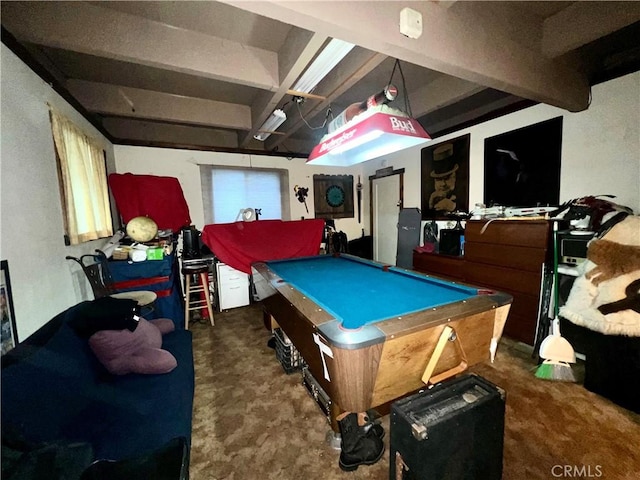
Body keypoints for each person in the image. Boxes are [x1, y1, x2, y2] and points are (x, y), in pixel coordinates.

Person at [428, 142, 459, 213]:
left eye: (447, 178)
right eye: (438, 179)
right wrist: (430, 205)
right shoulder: (433, 198)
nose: (443, 184)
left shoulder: (460, 197)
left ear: (455, 177)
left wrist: (453, 206)